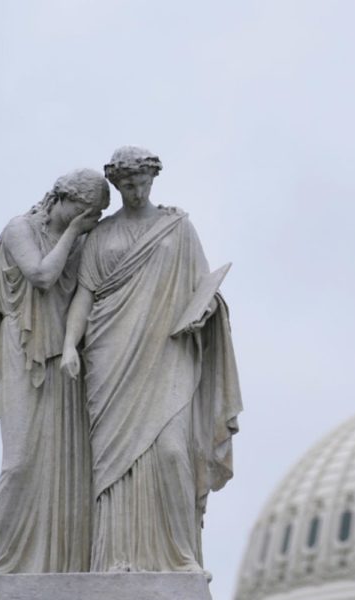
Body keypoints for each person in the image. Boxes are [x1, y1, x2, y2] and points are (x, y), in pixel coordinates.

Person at [61, 146, 242, 574]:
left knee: (172, 453)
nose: (135, 190)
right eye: (126, 185)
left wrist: (207, 309)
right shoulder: (101, 236)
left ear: (153, 180)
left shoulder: (178, 229)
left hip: (167, 352)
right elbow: (84, 296)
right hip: (110, 356)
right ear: (117, 186)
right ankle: (115, 558)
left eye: (141, 182)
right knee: (113, 463)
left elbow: (204, 287)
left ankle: (179, 556)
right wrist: (70, 345)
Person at [0, 168, 110, 573]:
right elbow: (42, 275)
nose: (91, 221)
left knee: (67, 467)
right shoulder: (20, 229)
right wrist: (74, 233)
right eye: (85, 211)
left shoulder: (85, 240)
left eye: (97, 215)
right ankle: (6, 564)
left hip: (65, 360)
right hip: (23, 349)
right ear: (61, 199)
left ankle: (63, 566)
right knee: (19, 463)